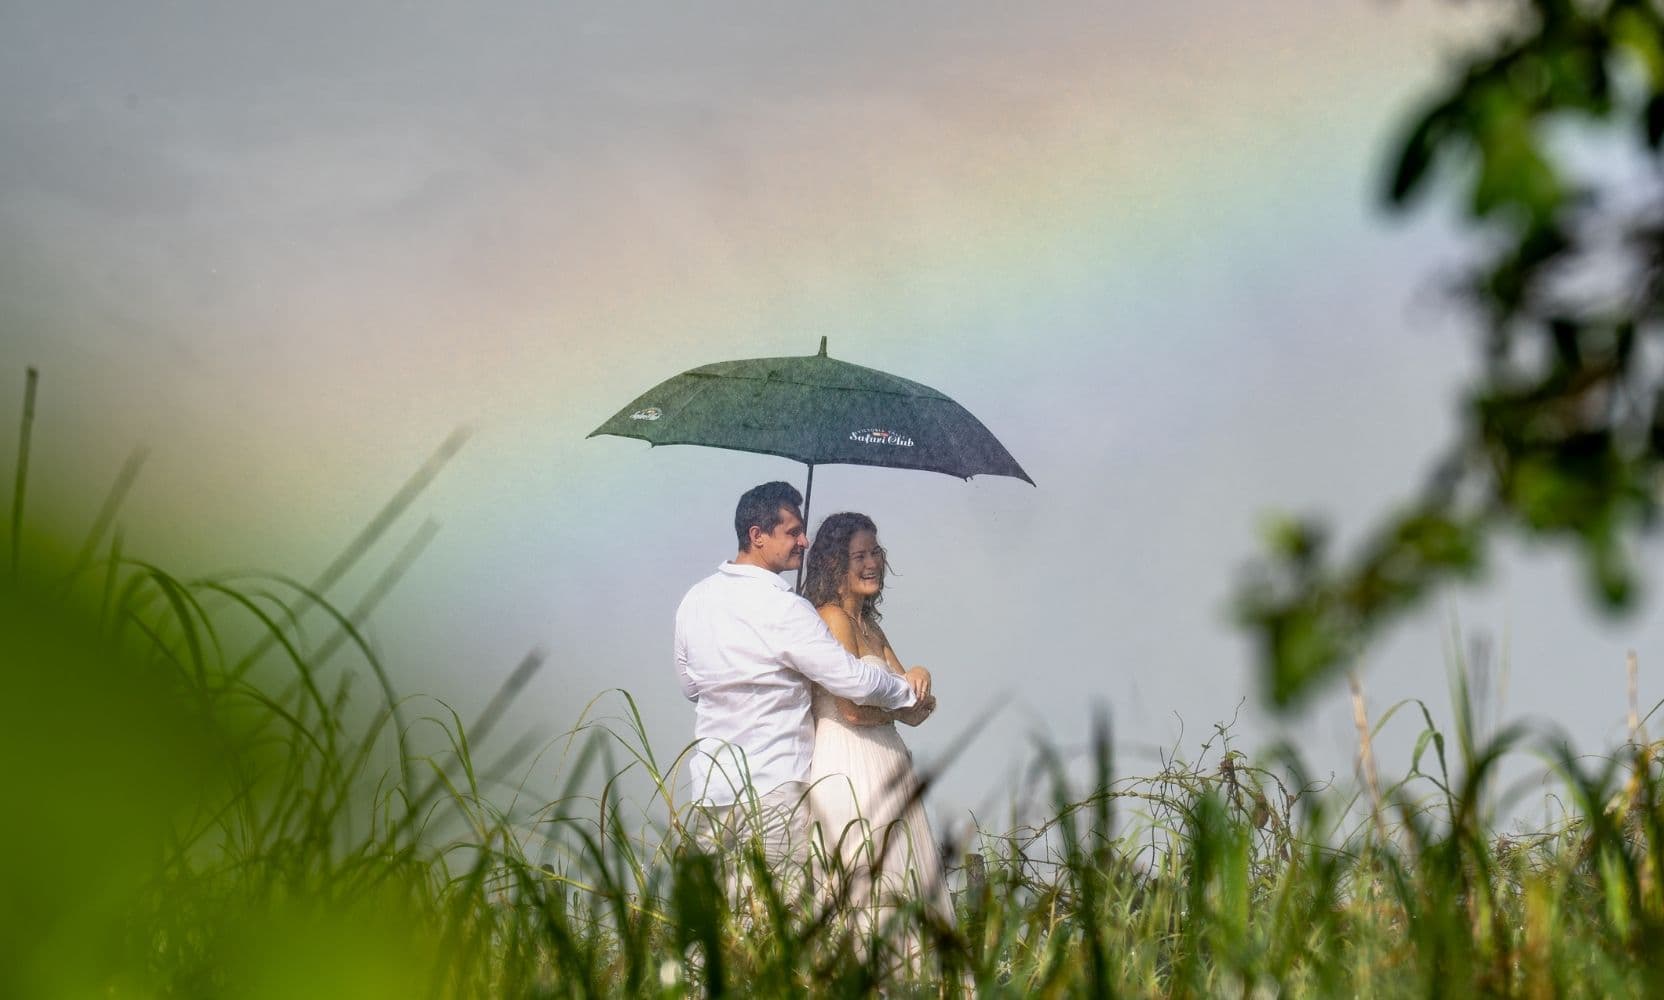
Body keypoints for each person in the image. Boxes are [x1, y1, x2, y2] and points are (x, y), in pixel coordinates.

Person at [674, 482, 931, 899]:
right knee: (781, 916)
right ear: (758, 536)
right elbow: (852, 680)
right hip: (776, 785)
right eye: (793, 531)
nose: (804, 541)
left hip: (713, 788)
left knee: (719, 921)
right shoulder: (787, 609)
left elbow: (691, 686)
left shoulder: (695, 600)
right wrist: (905, 693)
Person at [801, 511, 954, 958]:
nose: (872, 563)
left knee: (905, 878)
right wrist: (901, 700)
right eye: (859, 555)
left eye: (876, 553)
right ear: (834, 564)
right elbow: (851, 707)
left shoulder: (871, 625)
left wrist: (921, 675)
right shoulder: (833, 618)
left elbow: (916, 709)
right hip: (849, 765)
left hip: (889, 762)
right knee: (867, 886)